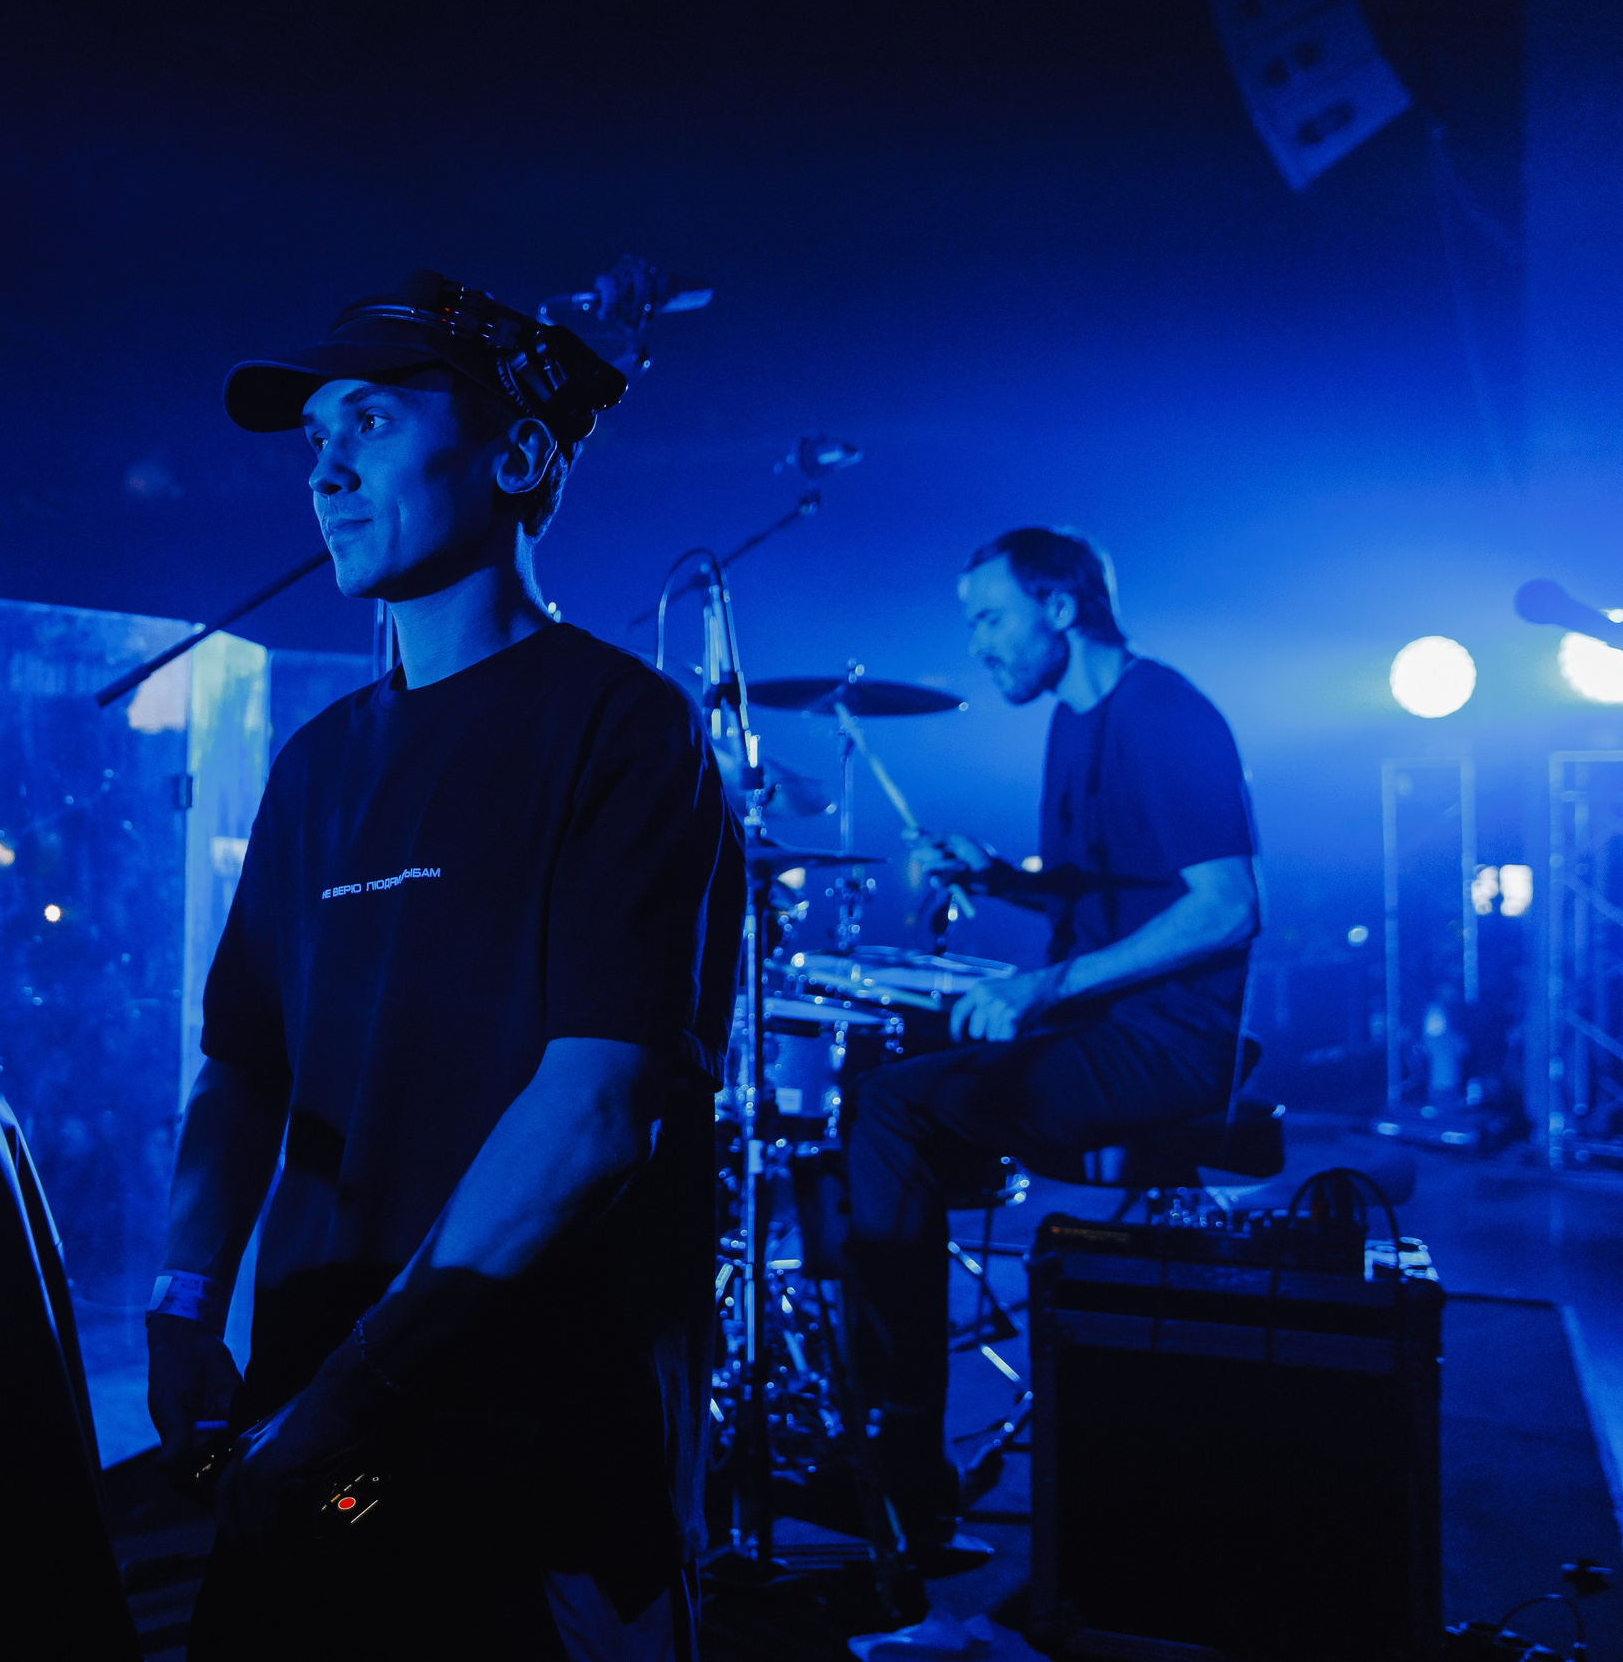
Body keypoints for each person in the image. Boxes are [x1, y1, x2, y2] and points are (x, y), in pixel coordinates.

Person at [147, 271, 744, 1660]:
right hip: (332, 1454)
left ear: (518, 456)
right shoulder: (314, 766)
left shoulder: (623, 728)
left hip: (533, 1467)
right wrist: (184, 1303)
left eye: (370, 419)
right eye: (315, 437)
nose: (325, 468)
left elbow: (599, 1106)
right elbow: (243, 1064)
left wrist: (353, 1389)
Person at [843, 527, 1261, 1632]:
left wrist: (1046, 984)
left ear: (1060, 609)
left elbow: (1226, 906)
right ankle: (888, 1433)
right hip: (1108, 1022)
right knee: (883, 1079)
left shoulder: (1163, 713)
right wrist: (1000, 878)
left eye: (990, 617)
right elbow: (1110, 894)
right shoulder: (1076, 719)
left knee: (891, 1105)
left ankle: (902, 1460)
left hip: (1173, 1042)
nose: (978, 644)